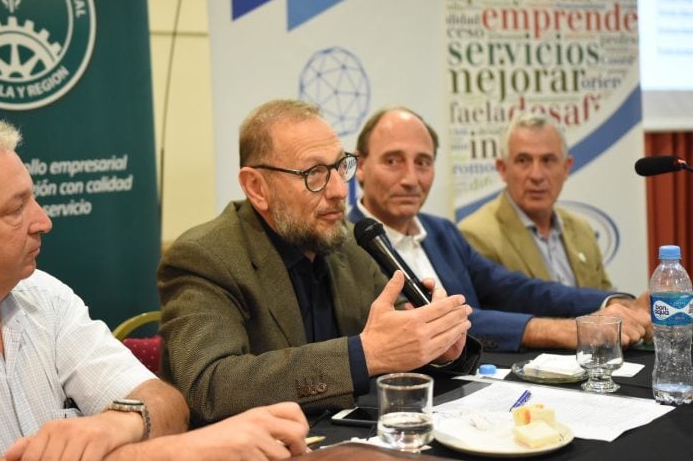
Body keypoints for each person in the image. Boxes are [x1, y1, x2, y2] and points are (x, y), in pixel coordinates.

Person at [0, 120, 310, 461]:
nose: (43, 221)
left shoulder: (43, 295)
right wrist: (187, 451)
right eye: (15, 210)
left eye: (33, 200)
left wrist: (115, 426)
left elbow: (167, 403)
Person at [158, 99, 480, 426]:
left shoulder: (351, 245)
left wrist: (436, 345)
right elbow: (208, 386)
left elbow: (398, 341)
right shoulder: (205, 257)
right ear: (257, 187)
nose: (341, 190)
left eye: (341, 167)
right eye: (314, 173)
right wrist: (365, 355)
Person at [350, 106, 650, 352]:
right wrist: (570, 330)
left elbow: (516, 288)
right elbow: (440, 323)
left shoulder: (442, 232)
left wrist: (614, 303)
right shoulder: (345, 243)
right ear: (361, 166)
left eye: (423, 163)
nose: (411, 179)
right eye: (393, 161)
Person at [458, 114, 612, 290]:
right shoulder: (476, 235)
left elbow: (606, 299)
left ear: (566, 168)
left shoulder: (582, 229)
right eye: (523, 161)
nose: (536, 175)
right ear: (502, 169)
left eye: (547, 160)